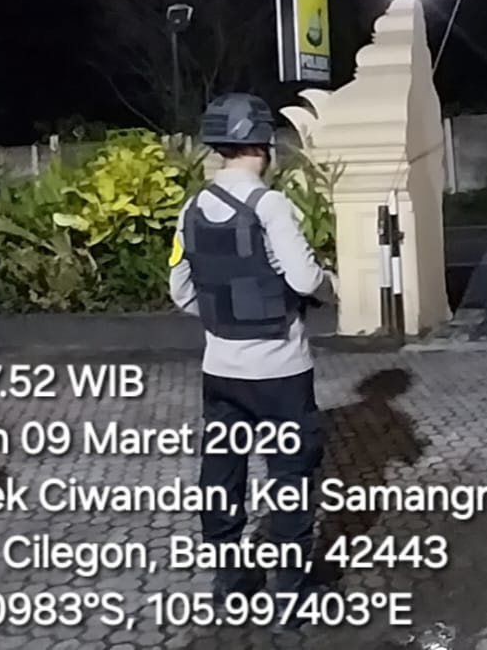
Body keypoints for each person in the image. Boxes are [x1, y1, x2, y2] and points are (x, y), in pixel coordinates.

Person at [168, 93, 337, 614]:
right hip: (281, 369)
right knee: (290, 474)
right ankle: (290, 590)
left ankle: (230, 581)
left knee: (222, 473)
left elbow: (180, 291)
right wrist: (331, 286)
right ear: (263, 146)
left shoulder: (192, 208)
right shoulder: (270, 205)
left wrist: (224, 324)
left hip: (220, 369)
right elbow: (304, 278)